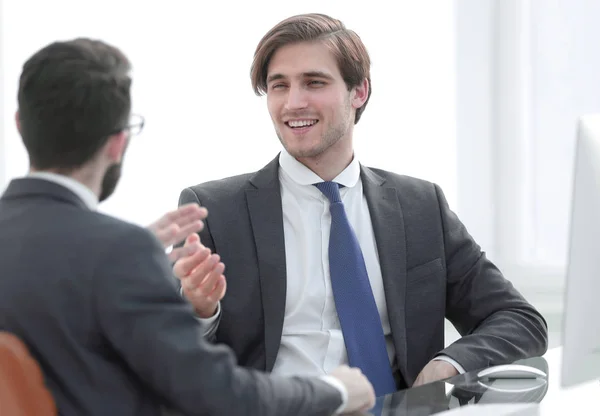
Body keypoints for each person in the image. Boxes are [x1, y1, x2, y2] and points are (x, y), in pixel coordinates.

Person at [174, 13, 549, 396]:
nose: (293, 103)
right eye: (279, 86)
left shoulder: (421, 208)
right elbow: (163, 356)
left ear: (359, 92)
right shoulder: (212, 211)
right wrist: (200, 312)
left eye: (314, 83)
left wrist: (448, 365)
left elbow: (519, 319)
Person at [0, 38, 376, 416]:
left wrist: (117, 254)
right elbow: (218, 395)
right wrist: (335, 392)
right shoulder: (121, 251)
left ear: (20, 124)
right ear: (117, 143)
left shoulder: (105, 251)